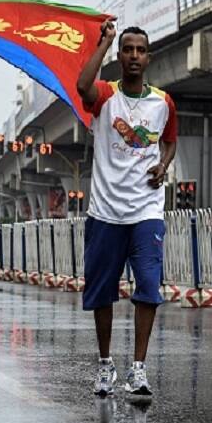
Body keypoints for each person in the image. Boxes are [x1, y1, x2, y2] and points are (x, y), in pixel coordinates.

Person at [76, 20, 177, 399]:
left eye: (141, 50)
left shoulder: (163, 102)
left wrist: (163, 165)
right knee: (102, 292)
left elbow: (170, 141)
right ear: (120, 56)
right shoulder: (105, 95)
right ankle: (105, 364)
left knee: (148, 287)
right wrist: (103, 43)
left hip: (146, 210)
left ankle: (138, 369)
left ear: (149, 57)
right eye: (128, 49)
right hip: (105, 212)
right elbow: (82, 87)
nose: (134, 56)